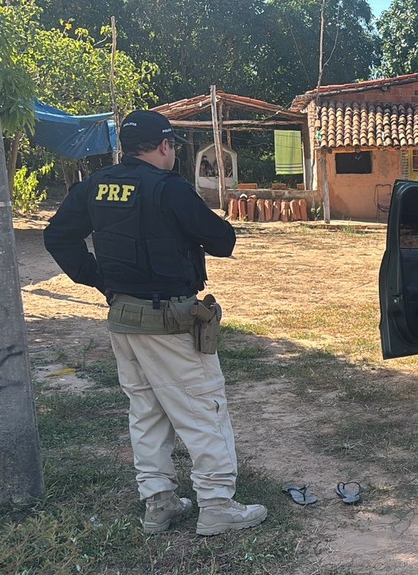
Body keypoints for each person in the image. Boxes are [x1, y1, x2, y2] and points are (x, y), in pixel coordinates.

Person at [45, 109, 266, 536]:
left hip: (123, 319)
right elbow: (222, 241)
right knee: (203, 409)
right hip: (170, 322)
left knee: (146, 411)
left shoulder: (95, 185)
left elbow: (57, 236)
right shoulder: (169, 187)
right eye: (171, 147)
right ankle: (217, 505)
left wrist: (100, 279)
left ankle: (158, 502)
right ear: (165, 146)